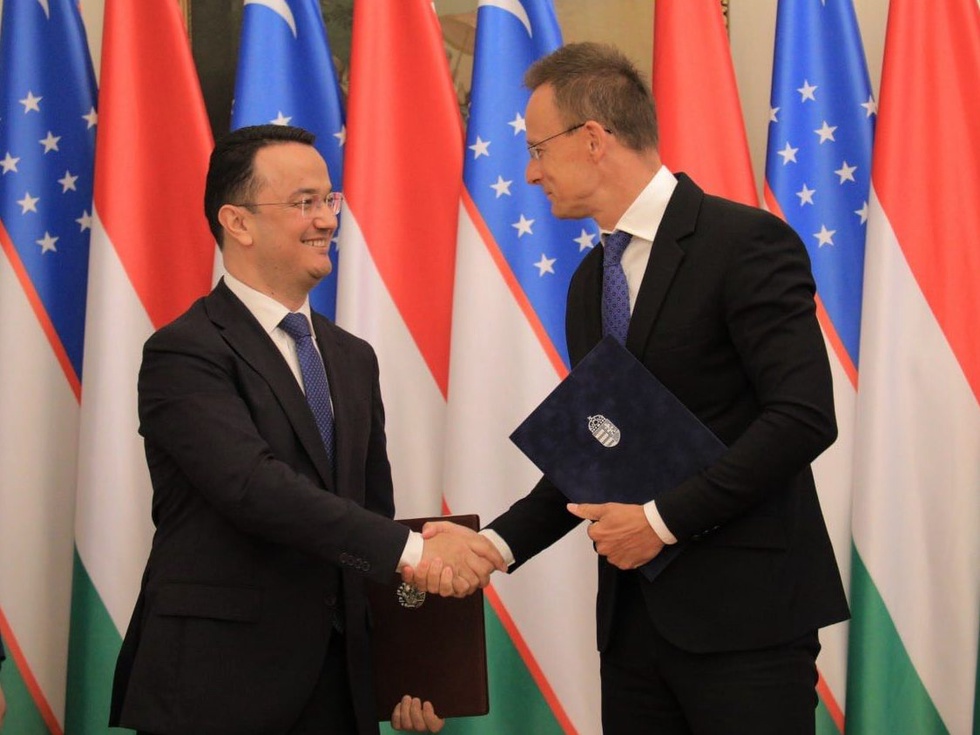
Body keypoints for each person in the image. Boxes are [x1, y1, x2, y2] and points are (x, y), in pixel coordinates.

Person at [412, 42, 849, 734]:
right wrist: (493, 545)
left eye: (538, 149)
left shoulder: (744, 244)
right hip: (633, 633)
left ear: (593, 138)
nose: (530, 172)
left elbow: (803, 417)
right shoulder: (589, 283)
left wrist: (661, 521)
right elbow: (599, 450)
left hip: (747, 623)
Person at [108, 124, 502, 735]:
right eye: (304, 203)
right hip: (218, 688)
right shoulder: (184, 352)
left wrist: (404, 669)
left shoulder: (352, 357)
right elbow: (253, 488)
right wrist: (418, 552)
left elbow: (370, 513)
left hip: (339, 689)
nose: (326, 220)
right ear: (237, 222)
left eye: (329, 199)